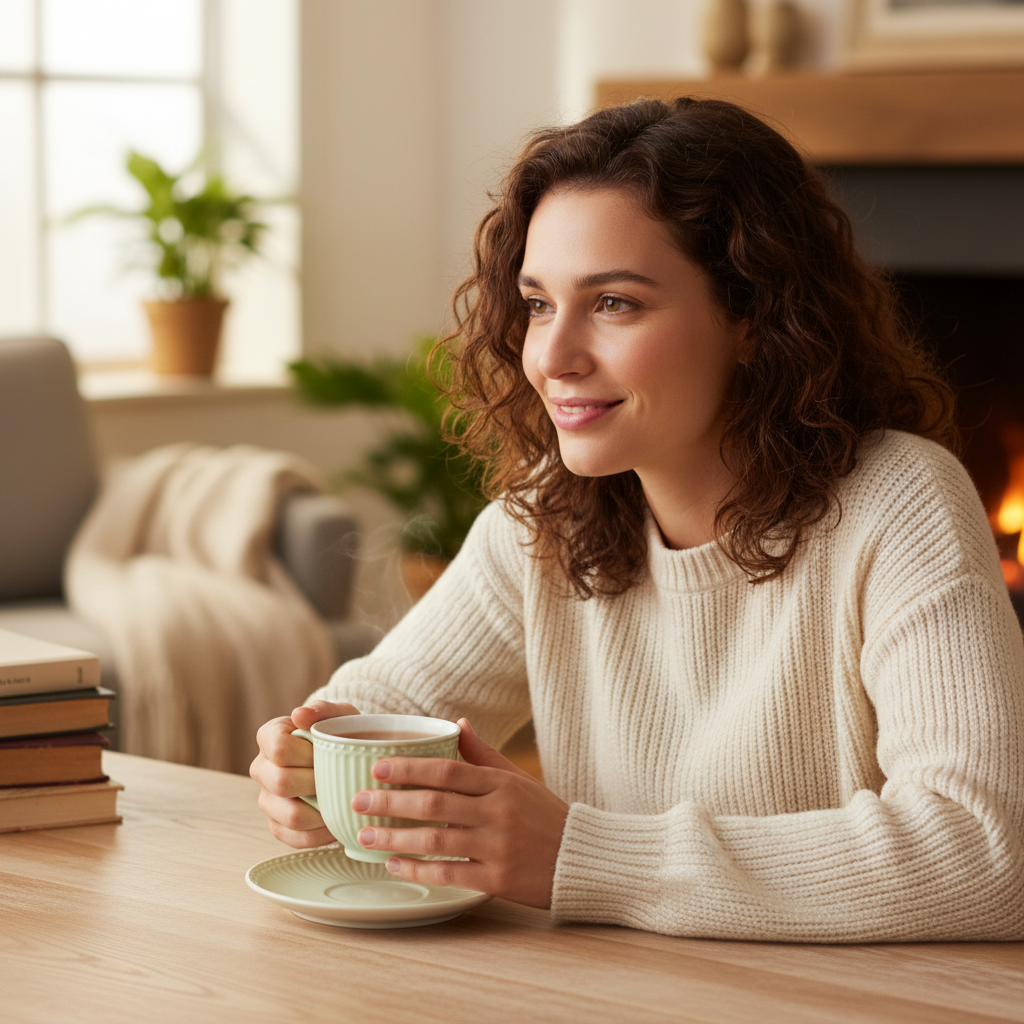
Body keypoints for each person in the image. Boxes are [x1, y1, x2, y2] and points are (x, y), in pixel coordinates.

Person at [251, 97, 1024, 942]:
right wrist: (307, 760)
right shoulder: (547, 514)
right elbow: (387, 700)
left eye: (614, 303)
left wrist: (580, 857)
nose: (552, 356)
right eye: (539, 303)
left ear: (755, 318)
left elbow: (987, 851)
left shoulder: (901, 504)